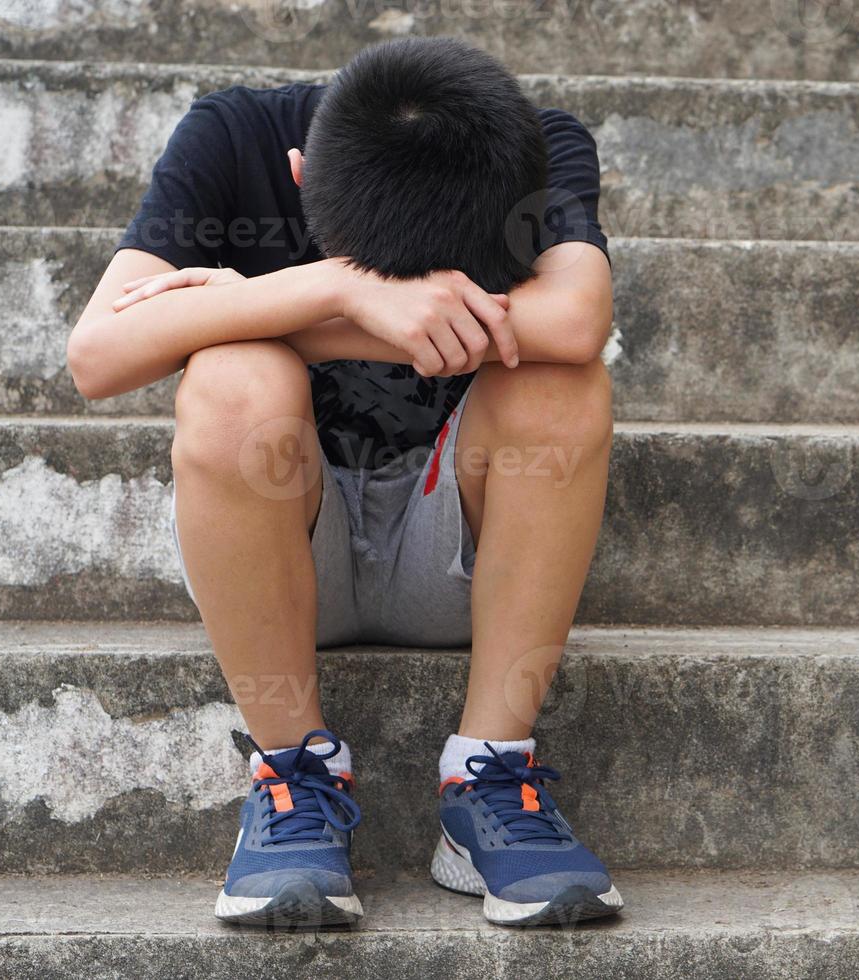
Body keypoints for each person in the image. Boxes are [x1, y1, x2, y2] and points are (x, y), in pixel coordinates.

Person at [66, 36, 619, 928]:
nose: (411, 301)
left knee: (562, 381)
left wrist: (252, 309)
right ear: (299, 175)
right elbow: (96, 355)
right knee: (233, 380)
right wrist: (335, 287)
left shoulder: (531, 145)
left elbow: (578, 319)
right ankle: (292, 775)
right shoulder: (236, 134)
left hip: (460, 560)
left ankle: (492, 771)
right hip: (284, 560)